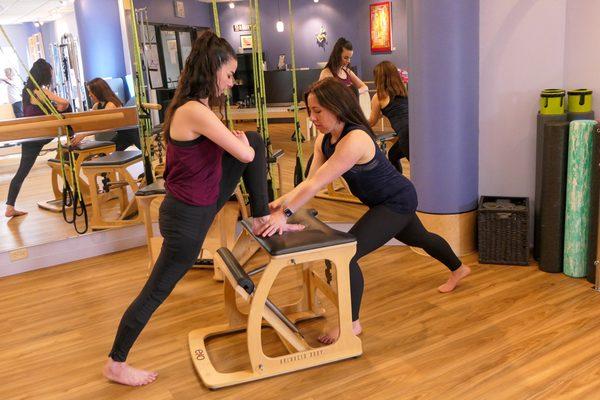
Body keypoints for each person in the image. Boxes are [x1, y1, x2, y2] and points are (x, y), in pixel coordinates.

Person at [102, 31, 303, 387]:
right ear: (212, 71)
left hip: (201, 201)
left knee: (254, 138)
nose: (230, 83)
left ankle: (258, 219)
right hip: (186, 218)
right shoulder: (194, 110)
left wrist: (243, 146)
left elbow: (245, 150)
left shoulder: (196, 107)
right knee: (156, 291)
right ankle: (115, 363)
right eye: (227, 75)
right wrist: (242, 147)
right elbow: (245, 156)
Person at [261, 78, 471, 344]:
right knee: (421, 238)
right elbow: (309, 181)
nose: (312, 117)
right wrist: (281, 203)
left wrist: (284, 213)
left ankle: (352, 324)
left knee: (347, 254)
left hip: (397, 201)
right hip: (384, 202)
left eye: (318, 111)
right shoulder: (325, 140)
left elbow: (315, 184)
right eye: (309, 111)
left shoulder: (355, 138)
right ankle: (459, 268)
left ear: (336, 107)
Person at [5, 59, 70, 218]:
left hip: (34, 135)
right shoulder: (39, 91)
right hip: (39, 135)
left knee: (22, 171)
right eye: (50, 72)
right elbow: (64, 102)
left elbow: (57, 107)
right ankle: (73, 138)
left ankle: (9, 207)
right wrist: (53, 99)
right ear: (44, 73)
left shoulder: (27, 90)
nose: (52, 75)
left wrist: (56, 107)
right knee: (68, 125)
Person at [71, 77, 140, 151]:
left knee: (149, 153)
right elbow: (90, 122)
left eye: (90, 92)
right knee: (103, 153)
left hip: (131, 132)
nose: (89, 95)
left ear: (98, 92)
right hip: (122, 134)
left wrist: (84, 134)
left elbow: (106, 127)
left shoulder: (110, 105)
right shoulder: (97, 105)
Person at [369, 61, 409, 174]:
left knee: (418, 166)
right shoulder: (403, 92)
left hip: (405, 134)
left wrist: (357, 122)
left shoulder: (379, 96)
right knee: (393, 155)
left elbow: (372, 122)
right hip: (415, 130)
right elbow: (397, 111)